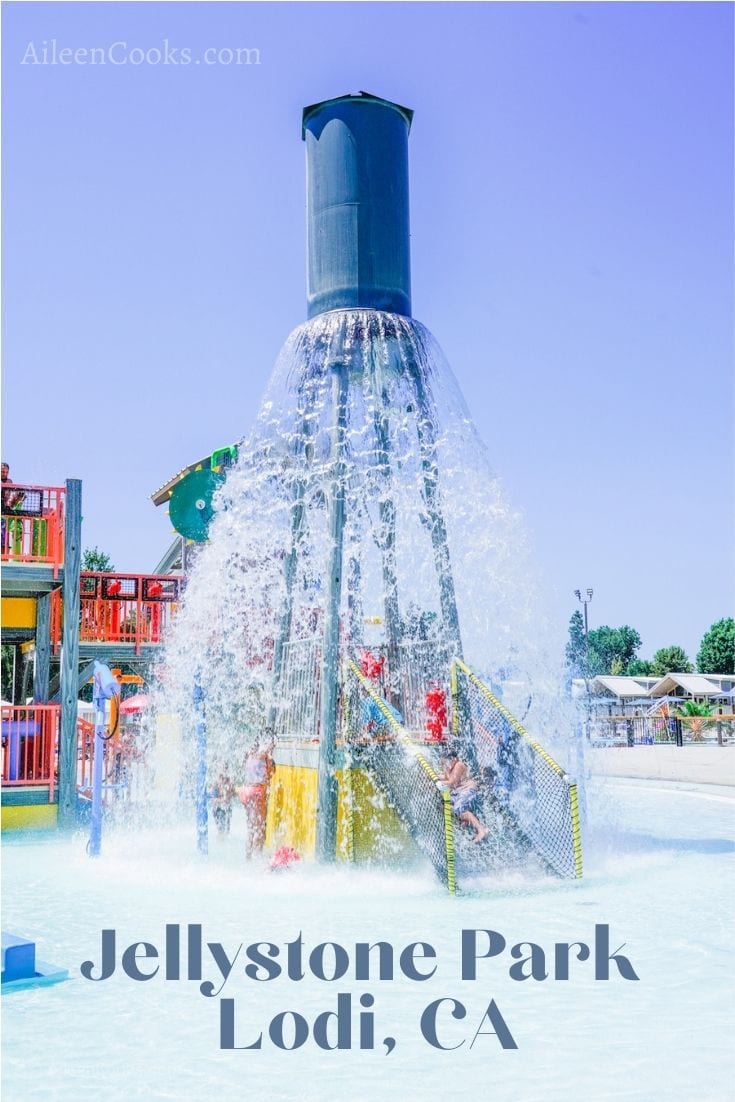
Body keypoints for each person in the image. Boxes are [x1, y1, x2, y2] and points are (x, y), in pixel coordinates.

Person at [439, 749, 489, 843]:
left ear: (453, 759)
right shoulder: (449, 768)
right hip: (460, 794)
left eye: (445, 762)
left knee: (460, 809)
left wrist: (438, 783)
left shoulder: (459, 765)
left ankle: (481, 830)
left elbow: (452, 783)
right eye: (443, 763)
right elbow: (445, 777)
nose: (444, 765)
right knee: (443, 805)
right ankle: (465, 824)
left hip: (469, 791)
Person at [238, 739, 274, 858]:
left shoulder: (249, 755)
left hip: (246, 792)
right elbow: (270, 772)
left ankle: (248, 856)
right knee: (261, 826)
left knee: (251, 826)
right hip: (257, 792)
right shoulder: (264, 755)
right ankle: (258, 855)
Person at [211, 772, 235, 837]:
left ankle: (225, 836)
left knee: (227, 825)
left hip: (226, 807)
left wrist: (230, 793)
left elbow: (232, 795)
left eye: (225, 779)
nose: (223, 781)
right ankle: (221, 835)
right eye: (222, 779)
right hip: (217, 809)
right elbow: (213, 800)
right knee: (220, 827)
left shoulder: (228, 786)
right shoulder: (215, 786)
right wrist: (222, 800)